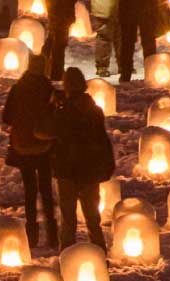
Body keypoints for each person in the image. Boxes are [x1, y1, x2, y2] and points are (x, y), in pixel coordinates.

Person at [53, 67, 115, 250]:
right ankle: (99, 252)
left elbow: (53, 131)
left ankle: (66, 256)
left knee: (68, 220)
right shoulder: (94, 111)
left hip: (68, 171)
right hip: (90, 170)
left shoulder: (64, 112)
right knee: (92, 218)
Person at [3, 52, 58, 251]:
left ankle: (31, 235)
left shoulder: (18, 88)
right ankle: (52, 235)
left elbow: (7, 117)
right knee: (45, 190)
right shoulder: (47, 89)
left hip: (22, 145)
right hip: (43, 146)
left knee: (29, 191)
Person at [115, 0, 160, 81]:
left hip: (129, 8)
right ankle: (151, 72)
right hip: (146, 8)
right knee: (147, 42)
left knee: (128, 42)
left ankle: (126, 74)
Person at [44, 0, 76, 76]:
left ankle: (45, 69)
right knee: (58, 46)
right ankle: (55, 73)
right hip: (61, 17)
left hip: (59, 16)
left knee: (54, 42)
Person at [91, 0, 117, 76]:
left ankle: (102, 66)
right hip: (105, 9)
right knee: (104, 37)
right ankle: (102, 67)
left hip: (103, 8)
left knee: (119, 36)